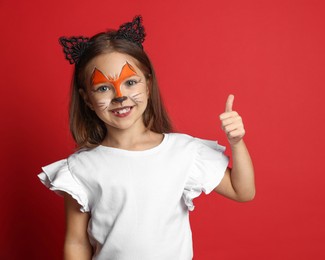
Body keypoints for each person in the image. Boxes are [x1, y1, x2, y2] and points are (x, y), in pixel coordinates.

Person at [38, 16, 255, 260]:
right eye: (103, 88)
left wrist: (236, 143)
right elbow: (77, 243)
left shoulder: (183, 151)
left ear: (148, 85)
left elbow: (242, 191)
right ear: (87, 98)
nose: (120, 97)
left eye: (130, 82)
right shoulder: (79, 168)